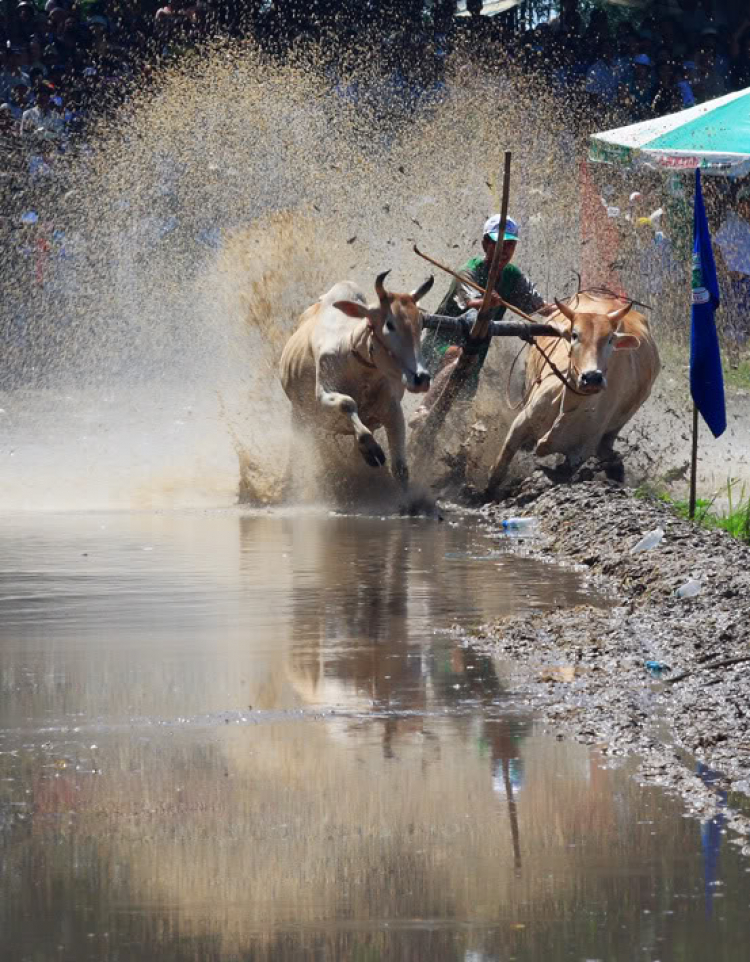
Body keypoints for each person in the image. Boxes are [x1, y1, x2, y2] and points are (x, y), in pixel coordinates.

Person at [412, 213, 553, 421]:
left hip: (477, 348)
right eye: (499, 244)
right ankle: (422, 410)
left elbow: (540, 307)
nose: (504, 251)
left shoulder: (513, 276)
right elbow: (472, 303)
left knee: (461, 409)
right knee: (456, 356)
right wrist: (488, 300)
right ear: (485, 244)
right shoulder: (468, 271)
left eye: (510, 245)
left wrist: (569, 312)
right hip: (441, 343)